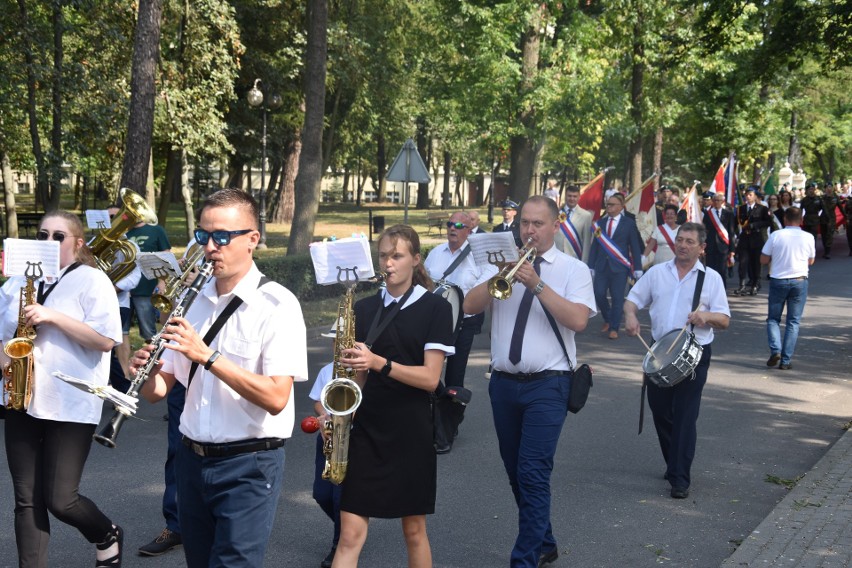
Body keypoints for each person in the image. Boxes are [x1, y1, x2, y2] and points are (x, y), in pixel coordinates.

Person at [132, 188, 308, 567]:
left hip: (248, 464)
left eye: (223, 237)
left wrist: (208, 356)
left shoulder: (277, 305)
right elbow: (158, 391)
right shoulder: (190, 300)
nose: (211, 247)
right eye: (203, 236)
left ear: (252, 240)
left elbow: (277, 396)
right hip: (191, 461)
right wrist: (143, 369)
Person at [464, 196, 595, 568]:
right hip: (503, 382)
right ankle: (545, 541)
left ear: (555, 226)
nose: (529, 230)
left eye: (538, 224)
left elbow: (579, 321)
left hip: (549, 384)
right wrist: (497, 275)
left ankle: (524, 560)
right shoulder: (501, 264)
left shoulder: (573, 270)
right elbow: (470, 306)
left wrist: (536, 284)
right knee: (514, 470)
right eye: (525, 223)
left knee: (532, 471)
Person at [1, 211, 124, 567]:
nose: (49, 242)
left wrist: (52, 316)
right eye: (42, 235)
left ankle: (106, 533)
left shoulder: (92, 280)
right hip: (20, 398)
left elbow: (105, 341)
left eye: (58, 236)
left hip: (71, 400)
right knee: (26, 500)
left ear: (78, 243)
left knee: (60, 499)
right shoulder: (15, 282)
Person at [331, 224, 454, 567]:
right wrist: (339, 418)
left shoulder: (435, 309)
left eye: (397, 255)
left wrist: (379, 363)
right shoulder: (365, 308)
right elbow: (357, 378)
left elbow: (431, 379)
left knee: (414, 531)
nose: (388, 263)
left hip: (411, 430)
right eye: (383, 255)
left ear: (416, 260)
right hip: (367, 428)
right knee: (349, 535)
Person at [623, 222, 731, 499]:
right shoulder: (658, 273)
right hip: (659, 353)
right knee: (660, 411)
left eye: (689, 241)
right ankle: (675, 461)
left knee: (685, 416)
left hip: (694, 354)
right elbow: (632, 299)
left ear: (702, 248)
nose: (682, 245)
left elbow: (725, 320)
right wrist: (631, 316)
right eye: (680, 240)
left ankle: (680, 477)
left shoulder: (711, 279)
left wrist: (705, 317)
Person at [424, 212, 496, 453]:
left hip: (462, 324)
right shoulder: (435, 253)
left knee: (455, 376)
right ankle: (445, 416)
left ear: (468, 230)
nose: (452, 229)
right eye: (449, 224)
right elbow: (422, 283)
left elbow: (483, 292)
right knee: (427, 374)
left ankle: (446, 431)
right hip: (433, 323)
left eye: (458, 226)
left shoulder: (480, 258)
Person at [760, 207, 815, 370]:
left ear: (785, 219)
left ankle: (775, 349)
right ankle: (785, 360)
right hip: (799, 280)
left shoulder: (776, 235)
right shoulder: (808, 237)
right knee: (793, 321)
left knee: (773, 319)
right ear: (801, 220)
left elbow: (763, 259)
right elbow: (811, 261)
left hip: (778, 280)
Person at [308, 323, 343, 568]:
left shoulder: (364, 372)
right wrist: (323, 417)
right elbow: (317, 402)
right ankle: (353, 525)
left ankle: (339, 545)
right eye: (335, 343)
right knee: (321, 495)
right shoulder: (327, 371)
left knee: (341, 498)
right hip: (327, 438)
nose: (338, 347)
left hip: (352, 439)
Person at [588, 192, 643, 339]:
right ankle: (608, 318)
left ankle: (614, 328)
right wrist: (590, 266)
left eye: (612, 205)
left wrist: (638, 267)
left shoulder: (629, 223)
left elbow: (635, 246)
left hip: (619, 267)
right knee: (598, 294)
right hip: (601, 266)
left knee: (618, 298)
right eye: (608, 204)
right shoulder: (600, 223)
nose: (609, 207)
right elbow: (595, 246)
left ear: (621, 207)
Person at [126, 216, 171, 342]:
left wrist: (162, 281)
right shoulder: (124, 234)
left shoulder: (156, 230)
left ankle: (152, 357)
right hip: (124, 289)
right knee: (121, 332)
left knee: (148, 332)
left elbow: (166, 256)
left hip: (147, 287)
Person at [733, 187, 772, 296]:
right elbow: (735, 223)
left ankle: (755, 284)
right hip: (744, 239)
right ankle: (742, 285)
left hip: (756, 238)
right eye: (747, 195)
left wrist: (755, 225)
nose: (748, 197)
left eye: (750, 194)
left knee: (756, 264)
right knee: (742, 263)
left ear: (755, 196)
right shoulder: (741, 209)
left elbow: (768, 222)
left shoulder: (762, 209)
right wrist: (735, 236)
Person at [702, 193, 736, 290]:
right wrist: (703, 247)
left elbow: (731, 232)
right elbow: (704, 231)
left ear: (723, 202)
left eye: (718, 200)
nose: (716, 202)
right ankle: (709, 290)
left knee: (722, 271)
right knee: (710, 271)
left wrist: (732, 250)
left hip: (723, 247)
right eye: (715, 200)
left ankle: (721, 291)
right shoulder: (708, 214)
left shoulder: (728, 214)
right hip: (710, 246)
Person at [555, 184, 593, 263]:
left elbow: (586, 241)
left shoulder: (586, 216)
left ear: (579, 197)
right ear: (565, 196)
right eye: (569, 196)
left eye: (575, 196)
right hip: (556, 255)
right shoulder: (556, 213)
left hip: (574, 257)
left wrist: (584, 262)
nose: (572, 199)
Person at [818, 184, 839, 259]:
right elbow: (818, 208)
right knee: (824, 235)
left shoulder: (836, 197)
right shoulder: (822, 198)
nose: (829, 189)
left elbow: (840, 207)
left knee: (829, 235)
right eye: (827, 187)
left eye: (830, 187)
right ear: (825, 189)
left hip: (832, 219)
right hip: (823, 218)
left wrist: (845, 216)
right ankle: (825, 249)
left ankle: (828, 252)